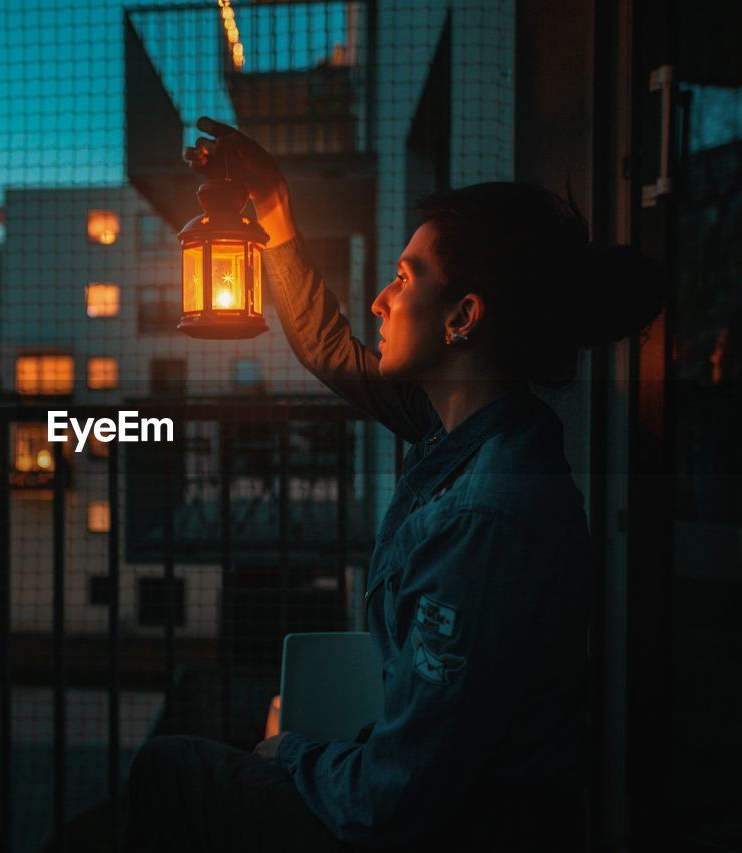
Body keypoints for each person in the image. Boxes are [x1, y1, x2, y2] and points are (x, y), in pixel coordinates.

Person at [121, 117, 663, 852]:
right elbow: (332, 350)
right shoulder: (461, 428)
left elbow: (396, 797)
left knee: (168, 772)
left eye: (405, 277)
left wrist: (294, 751)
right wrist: (276, 214)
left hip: (452, 832)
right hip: (439, 799)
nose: (379, 298)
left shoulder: (486, 517)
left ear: (462, 318)